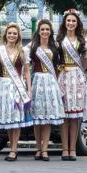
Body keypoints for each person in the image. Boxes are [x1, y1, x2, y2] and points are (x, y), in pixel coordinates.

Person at [0, 23, 32, 161]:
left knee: (16, 117)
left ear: (18, 36)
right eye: (9, 33)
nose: (12, 35)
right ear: (6, 35)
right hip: (3, 86)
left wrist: (29, 89)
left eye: (14, 33)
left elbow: (27, 72)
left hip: (17, 87)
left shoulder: (23, 51)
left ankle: (14, 149)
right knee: (9, 118)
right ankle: (11, 147)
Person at [29, 19, 65, 161]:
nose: (45, 32)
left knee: (47, 118)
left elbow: (58, 67)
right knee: (38, 118)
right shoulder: (32, 47)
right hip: (37, 81)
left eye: (47, 30)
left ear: (50, 32)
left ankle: (45, 150)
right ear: (38, 31)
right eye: (42, 29)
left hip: (50, 82)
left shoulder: (55, 47)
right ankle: (38, 148)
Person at [56, 9, 86, 161]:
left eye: (74, 21)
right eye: (68, 20)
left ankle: (73, 149)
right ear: (64, 22)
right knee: (65, 116)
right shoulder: (59, 39)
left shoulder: (83, 40)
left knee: (75, 117)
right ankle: (65, 149)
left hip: (78, 77)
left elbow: (86, 63)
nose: (71, 23)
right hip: (64, 77)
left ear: (77, 23)